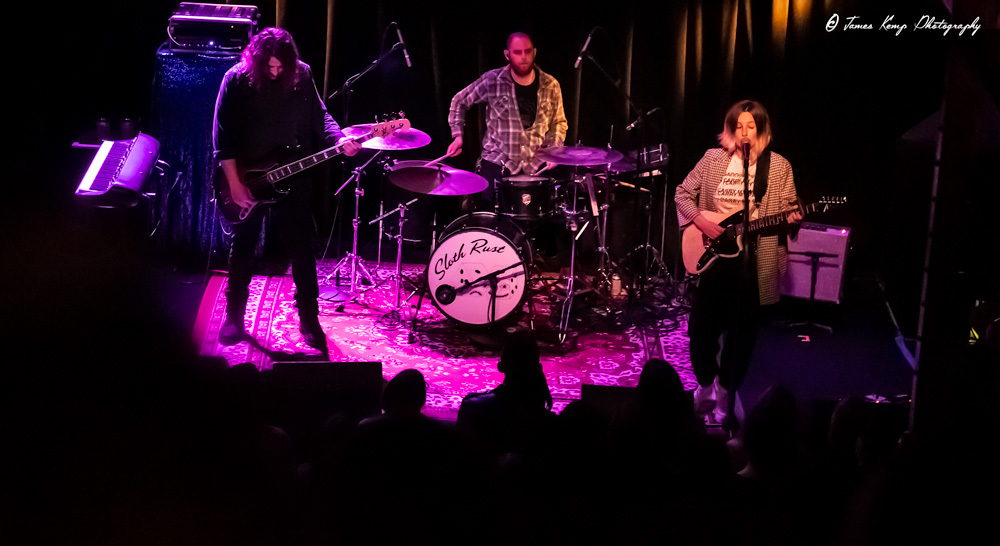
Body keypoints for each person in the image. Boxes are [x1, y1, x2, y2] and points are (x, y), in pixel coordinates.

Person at [213, 27, 360, 353]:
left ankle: (309, 318)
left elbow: (319, 116)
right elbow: (221, 138)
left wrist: (339, 139)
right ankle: (234, 317)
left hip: (291, 174)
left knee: (303, 250)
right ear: (257, 60)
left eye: (282, 67)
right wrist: (235, 184)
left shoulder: (302, 74)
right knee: (243, 248)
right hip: (247, 177)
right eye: (270, 67)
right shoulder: (235, 80)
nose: (276, 72)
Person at [674, 100, 802, 429]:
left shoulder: (779, 167)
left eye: (752, 127)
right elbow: (682, 195)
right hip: (714, 260)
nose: (745, 133)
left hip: (753, 264)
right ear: (731, 130)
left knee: (742, 338)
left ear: (762, 131)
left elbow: (789, 211)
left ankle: (725, 391)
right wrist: (702, 222)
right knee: (701, 331)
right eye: (739, 127)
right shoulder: (712, 159)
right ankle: (704, 385)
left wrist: (795, 217)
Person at [445, 31, 568, 214]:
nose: (524, 57)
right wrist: (457, 136)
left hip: (535, 166)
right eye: (517, 52)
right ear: (507, 54)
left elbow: (558, 122)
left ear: (535, 52)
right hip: (497, 162)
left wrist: (555, 147)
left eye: (528, 51)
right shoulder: (492, 81)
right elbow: (459, 101)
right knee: (488, 220)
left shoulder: (551, 85)